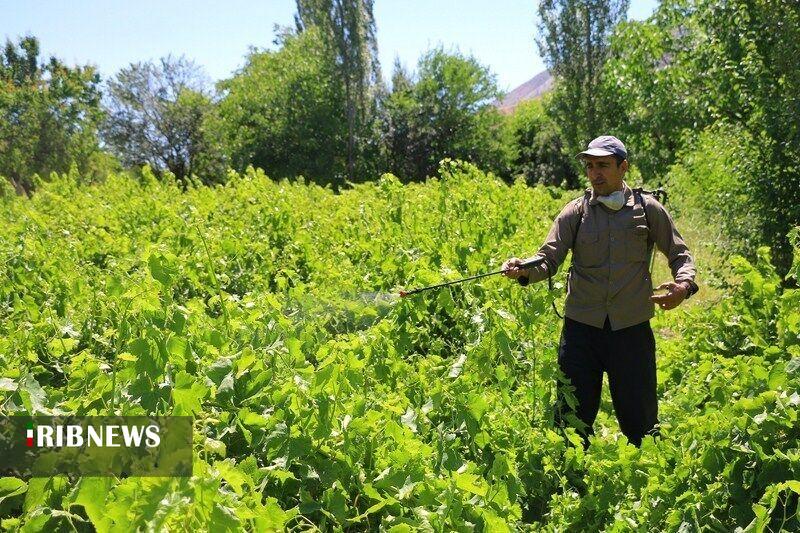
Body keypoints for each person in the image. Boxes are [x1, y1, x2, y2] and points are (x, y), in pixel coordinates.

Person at [503, 135, 698, 449]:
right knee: (570, 421)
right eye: (590, 166)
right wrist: (524, 269)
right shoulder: (575, 212)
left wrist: (684, 285)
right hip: (582, 332)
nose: (595, 173)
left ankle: (646, 483)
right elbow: (547, 259)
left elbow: (680, 254)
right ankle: (569, 485)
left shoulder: (648, 209)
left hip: (631, 331)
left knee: (642, 423)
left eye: (603, 165)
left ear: (623, 167)